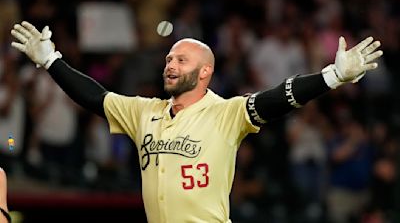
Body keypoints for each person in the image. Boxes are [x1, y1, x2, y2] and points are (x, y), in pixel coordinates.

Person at [10, 21, 382, 223]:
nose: (171, 64)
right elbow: (94, 96)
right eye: (169, 58)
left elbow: (275, 100)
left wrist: (332, 76)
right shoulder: (144, 112)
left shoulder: (225, 113)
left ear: (205, 71)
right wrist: (51, 60)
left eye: (181, 60)